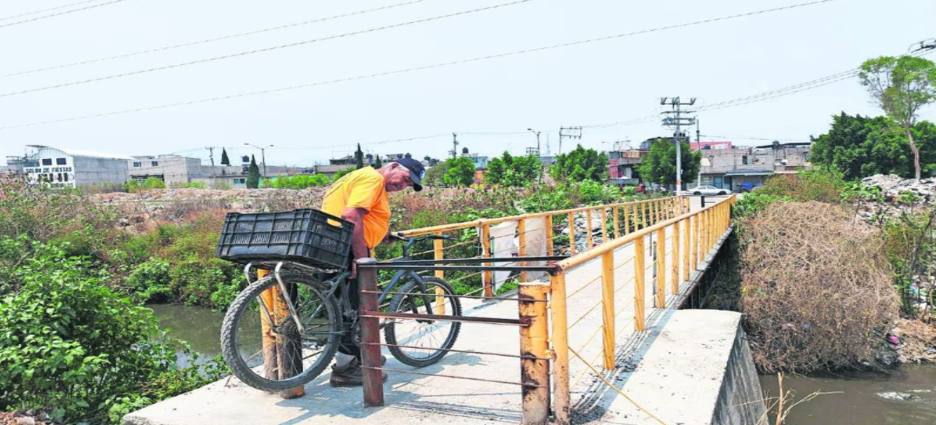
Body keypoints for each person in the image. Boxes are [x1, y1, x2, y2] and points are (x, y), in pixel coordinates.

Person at [320, 158, 425, 387]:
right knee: (349, 310)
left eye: (409, 185)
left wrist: (383, 233)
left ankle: (360, 356)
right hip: (345, 248)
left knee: (350, 307)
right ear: (394, 166)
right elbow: (350, 215)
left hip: (331, 244)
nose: (403, 186)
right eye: (406, 179)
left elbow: (364, 215)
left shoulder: (362, 177)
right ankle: (344, 370)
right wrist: (361, 257)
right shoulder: (373, 179)